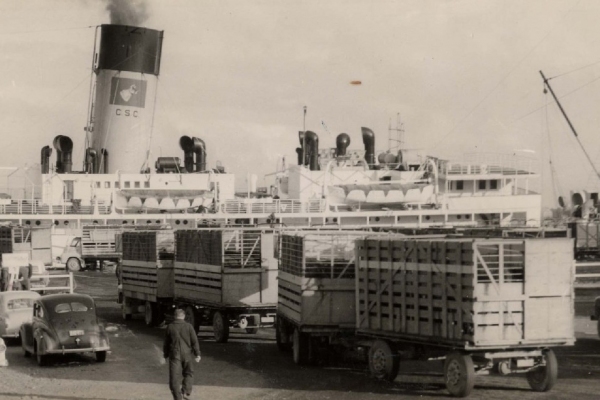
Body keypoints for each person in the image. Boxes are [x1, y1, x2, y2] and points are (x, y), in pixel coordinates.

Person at [163, 309, 201, 400]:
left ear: (174, 316)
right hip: (187, 354)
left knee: (174, 377)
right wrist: (197, 354)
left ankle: (177, 397)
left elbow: (166, 343)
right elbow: (194, 341)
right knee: (189, 373)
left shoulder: (170, 327)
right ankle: (186, 391)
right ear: (183, 316)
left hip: (174, 355)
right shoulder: (189, 326)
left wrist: (165, 355)